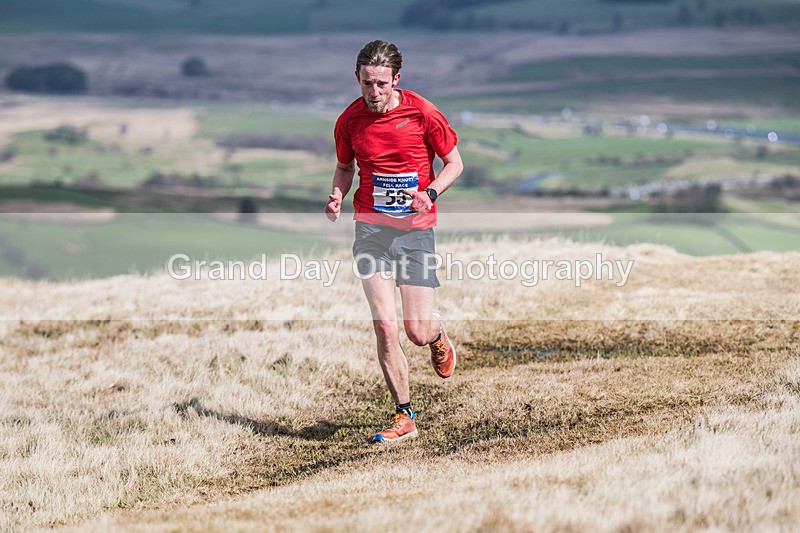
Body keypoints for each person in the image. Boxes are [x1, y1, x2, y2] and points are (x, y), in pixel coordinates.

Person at [325, 40, 463, 444]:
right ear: (357, 79)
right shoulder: (349, 121)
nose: (374, 92)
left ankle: (436, 336)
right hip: (370, 231)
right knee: (385, 327)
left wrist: (431, 193)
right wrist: (337, 194)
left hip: (415, 231)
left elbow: (455, 163)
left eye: (382, 84)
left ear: (396, 79)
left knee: (415, 331)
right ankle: (405, 415)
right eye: (367, 83)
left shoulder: (422, 112)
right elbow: (343, 167)